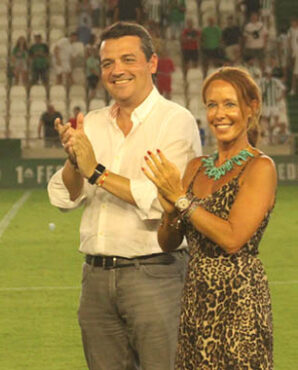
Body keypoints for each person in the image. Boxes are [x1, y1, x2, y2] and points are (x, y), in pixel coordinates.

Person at [48, 22, 201, 370]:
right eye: (107, 63)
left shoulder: (176, 121)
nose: (117, 70)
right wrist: (74, 162)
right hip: (96, 277)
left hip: (155, 274)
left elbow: (164, 199)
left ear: (152, 63)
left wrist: (96, 172)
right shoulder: (95, 123)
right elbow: (64, 197)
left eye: (128, 59)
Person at [141, 66, 274, 368]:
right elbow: (168, 242)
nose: (219, 114)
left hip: (240, 304)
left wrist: (182, 200)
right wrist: (169, 212)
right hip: (195, 301)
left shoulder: (260, 168)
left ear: (251, 108)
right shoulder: (196, 167)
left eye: (230, 104)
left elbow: (232, 239)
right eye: (212, 105)